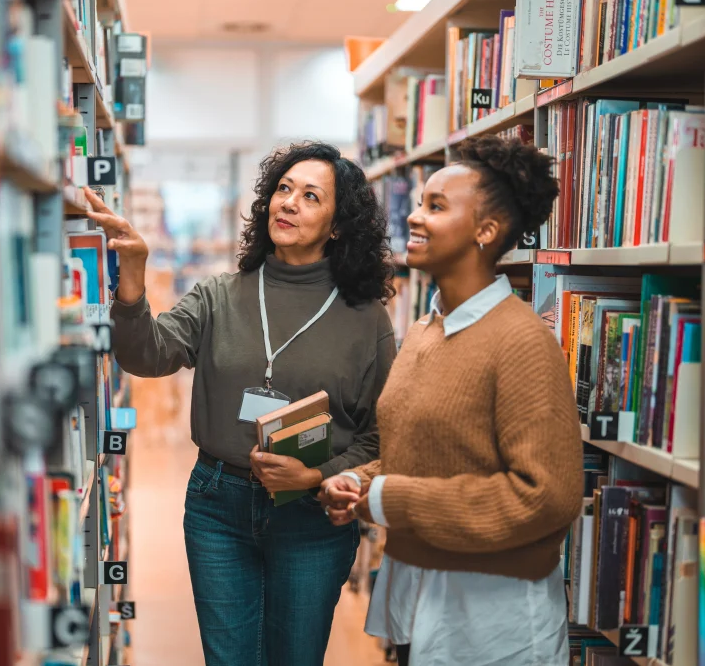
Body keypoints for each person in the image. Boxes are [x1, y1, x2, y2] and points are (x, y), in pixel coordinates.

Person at [84, 141, 397, 666]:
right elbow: (148, 355)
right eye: (283, 189)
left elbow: (380, 436)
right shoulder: (219, 295)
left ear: (338, 225)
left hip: (311, 514)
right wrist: (133, 280)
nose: (289, 202)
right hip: (217, 505)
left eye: (310, 196)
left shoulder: (366, 320)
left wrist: (316, 477)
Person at [320, 135, 584, 666]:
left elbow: (547, 498)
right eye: (419, 203)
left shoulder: (521, 342)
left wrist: (388, 499)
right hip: (422, 596)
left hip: (492, 618)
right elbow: (423, 456)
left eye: (436, 207)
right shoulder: (425, 330)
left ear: (485, 231)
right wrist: (362, 482)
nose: (414, 218)